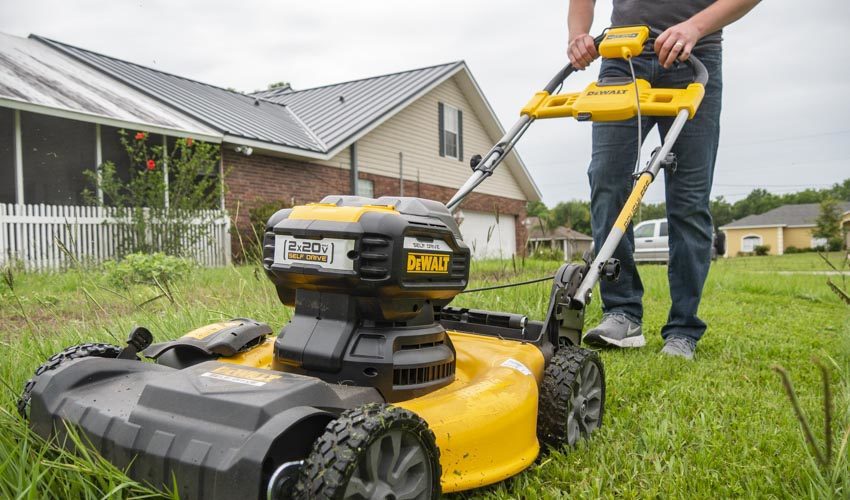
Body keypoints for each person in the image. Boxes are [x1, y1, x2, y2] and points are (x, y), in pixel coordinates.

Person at [567, 0, 760, 359]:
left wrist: (696, 26)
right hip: (621, 57)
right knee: (607, 181)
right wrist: (578, 35)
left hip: (694, 55)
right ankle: (622, 313)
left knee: (688, 199)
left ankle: (683, 329)